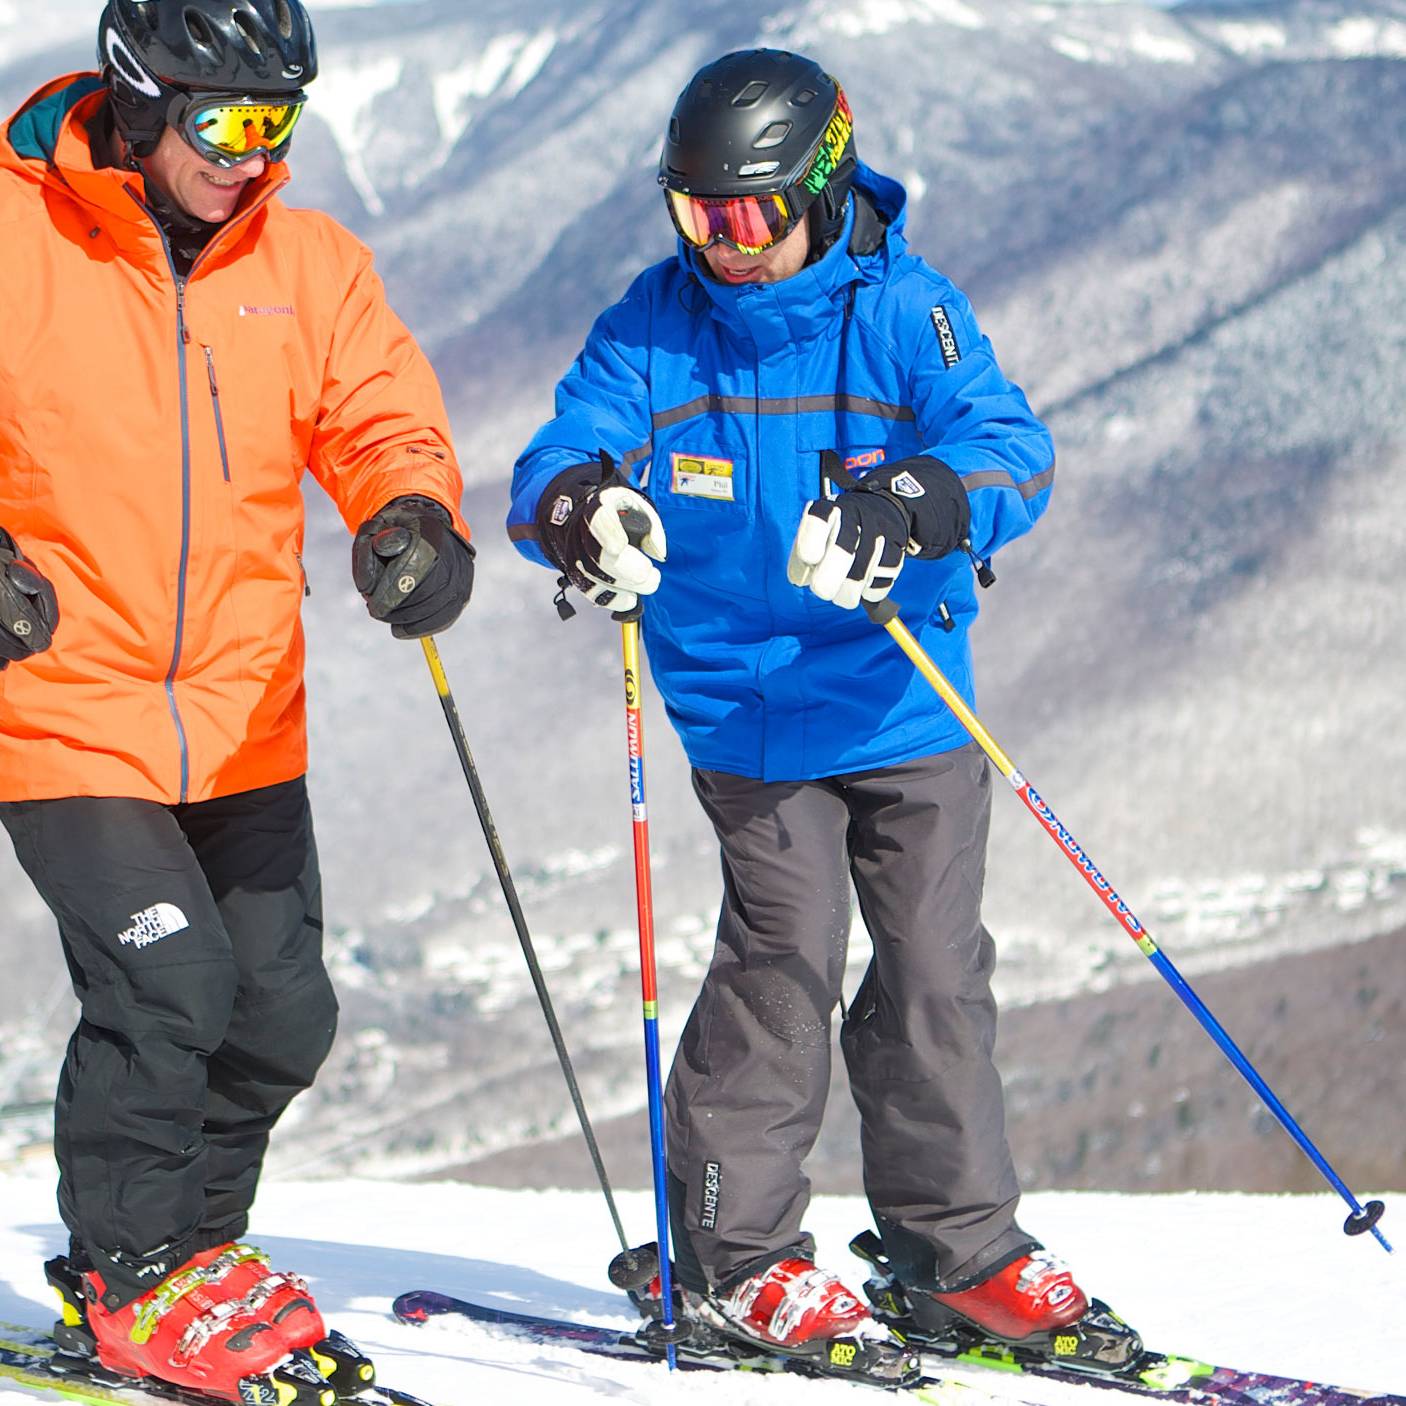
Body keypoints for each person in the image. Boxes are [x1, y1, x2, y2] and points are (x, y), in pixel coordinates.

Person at [508, 49, 1137, 1375]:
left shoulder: (905, 310)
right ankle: (733, 1255)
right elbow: (562, 447)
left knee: (932, 975)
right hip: (745, 711)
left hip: (904, 701)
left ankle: (953, 1251)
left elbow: (1007, 445)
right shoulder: (655, 321)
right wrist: (578, 511)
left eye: (744, 215)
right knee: (783, 961)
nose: (721, 246)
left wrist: (909, 506)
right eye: (694, 215)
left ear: (821, 181)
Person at [0, 2, 473, 1401]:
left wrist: (410, 515)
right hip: (66, 705)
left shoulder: (307, 263)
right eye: (228, 121)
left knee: (279, 1016)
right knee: (170, 986)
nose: (253, 157)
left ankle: (193, 1252)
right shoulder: (15, 240)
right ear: (142, 101)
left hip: (244, 707)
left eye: (279, 124)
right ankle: (130, 1271)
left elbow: (379, 409)